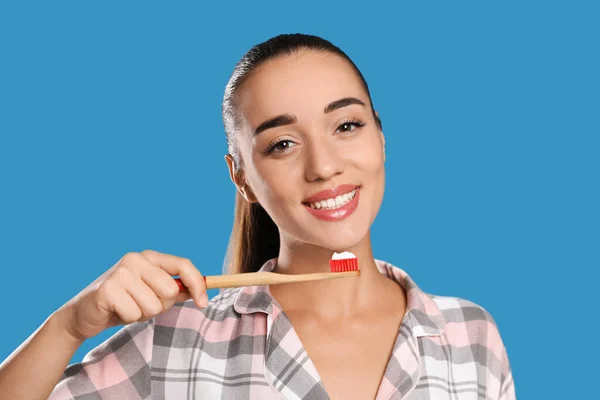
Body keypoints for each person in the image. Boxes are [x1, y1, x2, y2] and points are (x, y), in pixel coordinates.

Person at [0, 33, 515, 400]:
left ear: (380, 136)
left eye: (346, 125)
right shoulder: (177, 341)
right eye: (283, 143)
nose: (324, 166)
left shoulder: (471, 336)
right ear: (241, 175)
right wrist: (67, 326)